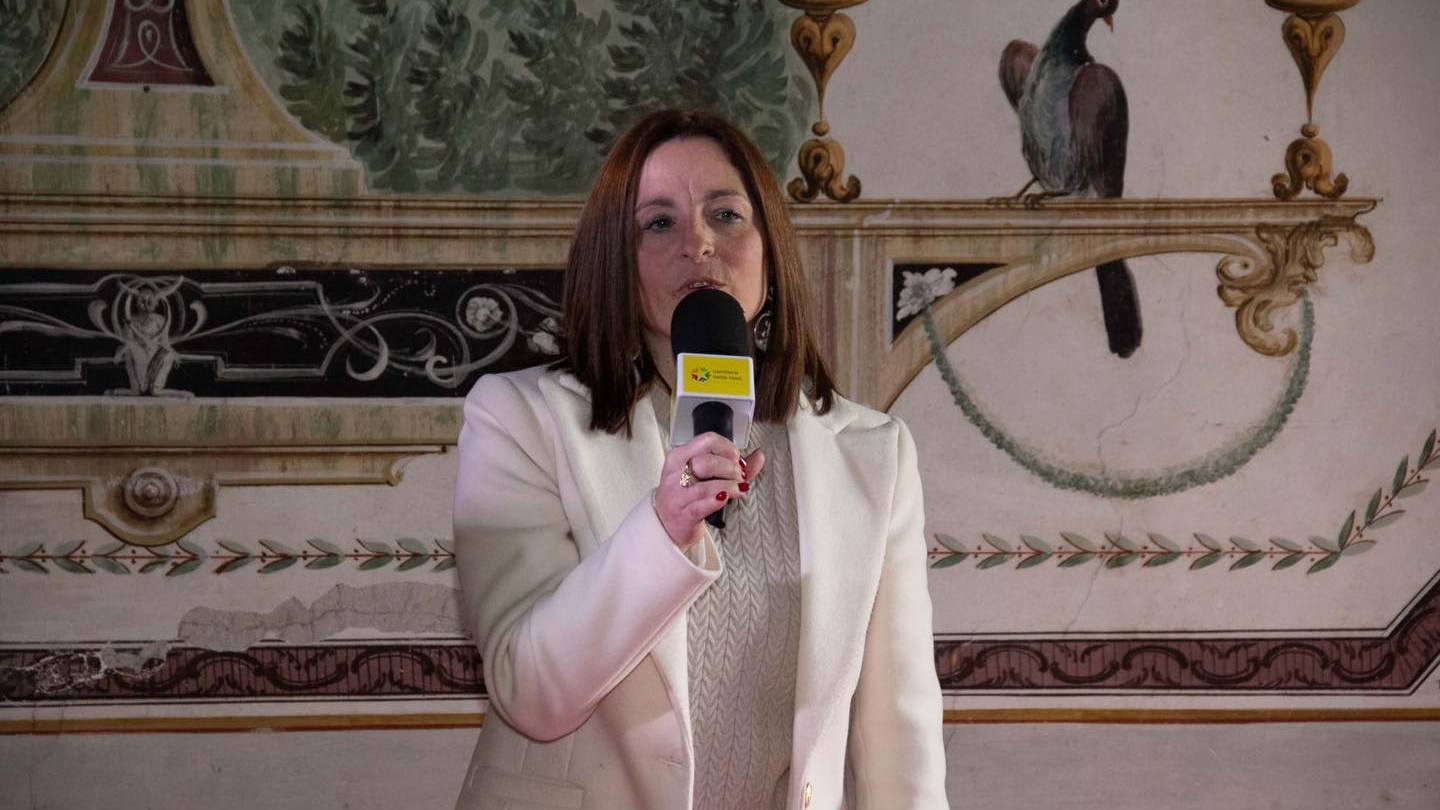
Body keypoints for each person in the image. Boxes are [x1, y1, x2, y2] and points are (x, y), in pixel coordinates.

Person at [452, 109, 947, 810]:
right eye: (659, 223)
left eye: (726, 215)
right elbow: (529, 692)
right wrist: (662, 529)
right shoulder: (520, 419)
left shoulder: (874, 452)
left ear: (769, 253)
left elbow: (900, 735)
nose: (699, 244)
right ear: (618, 263)